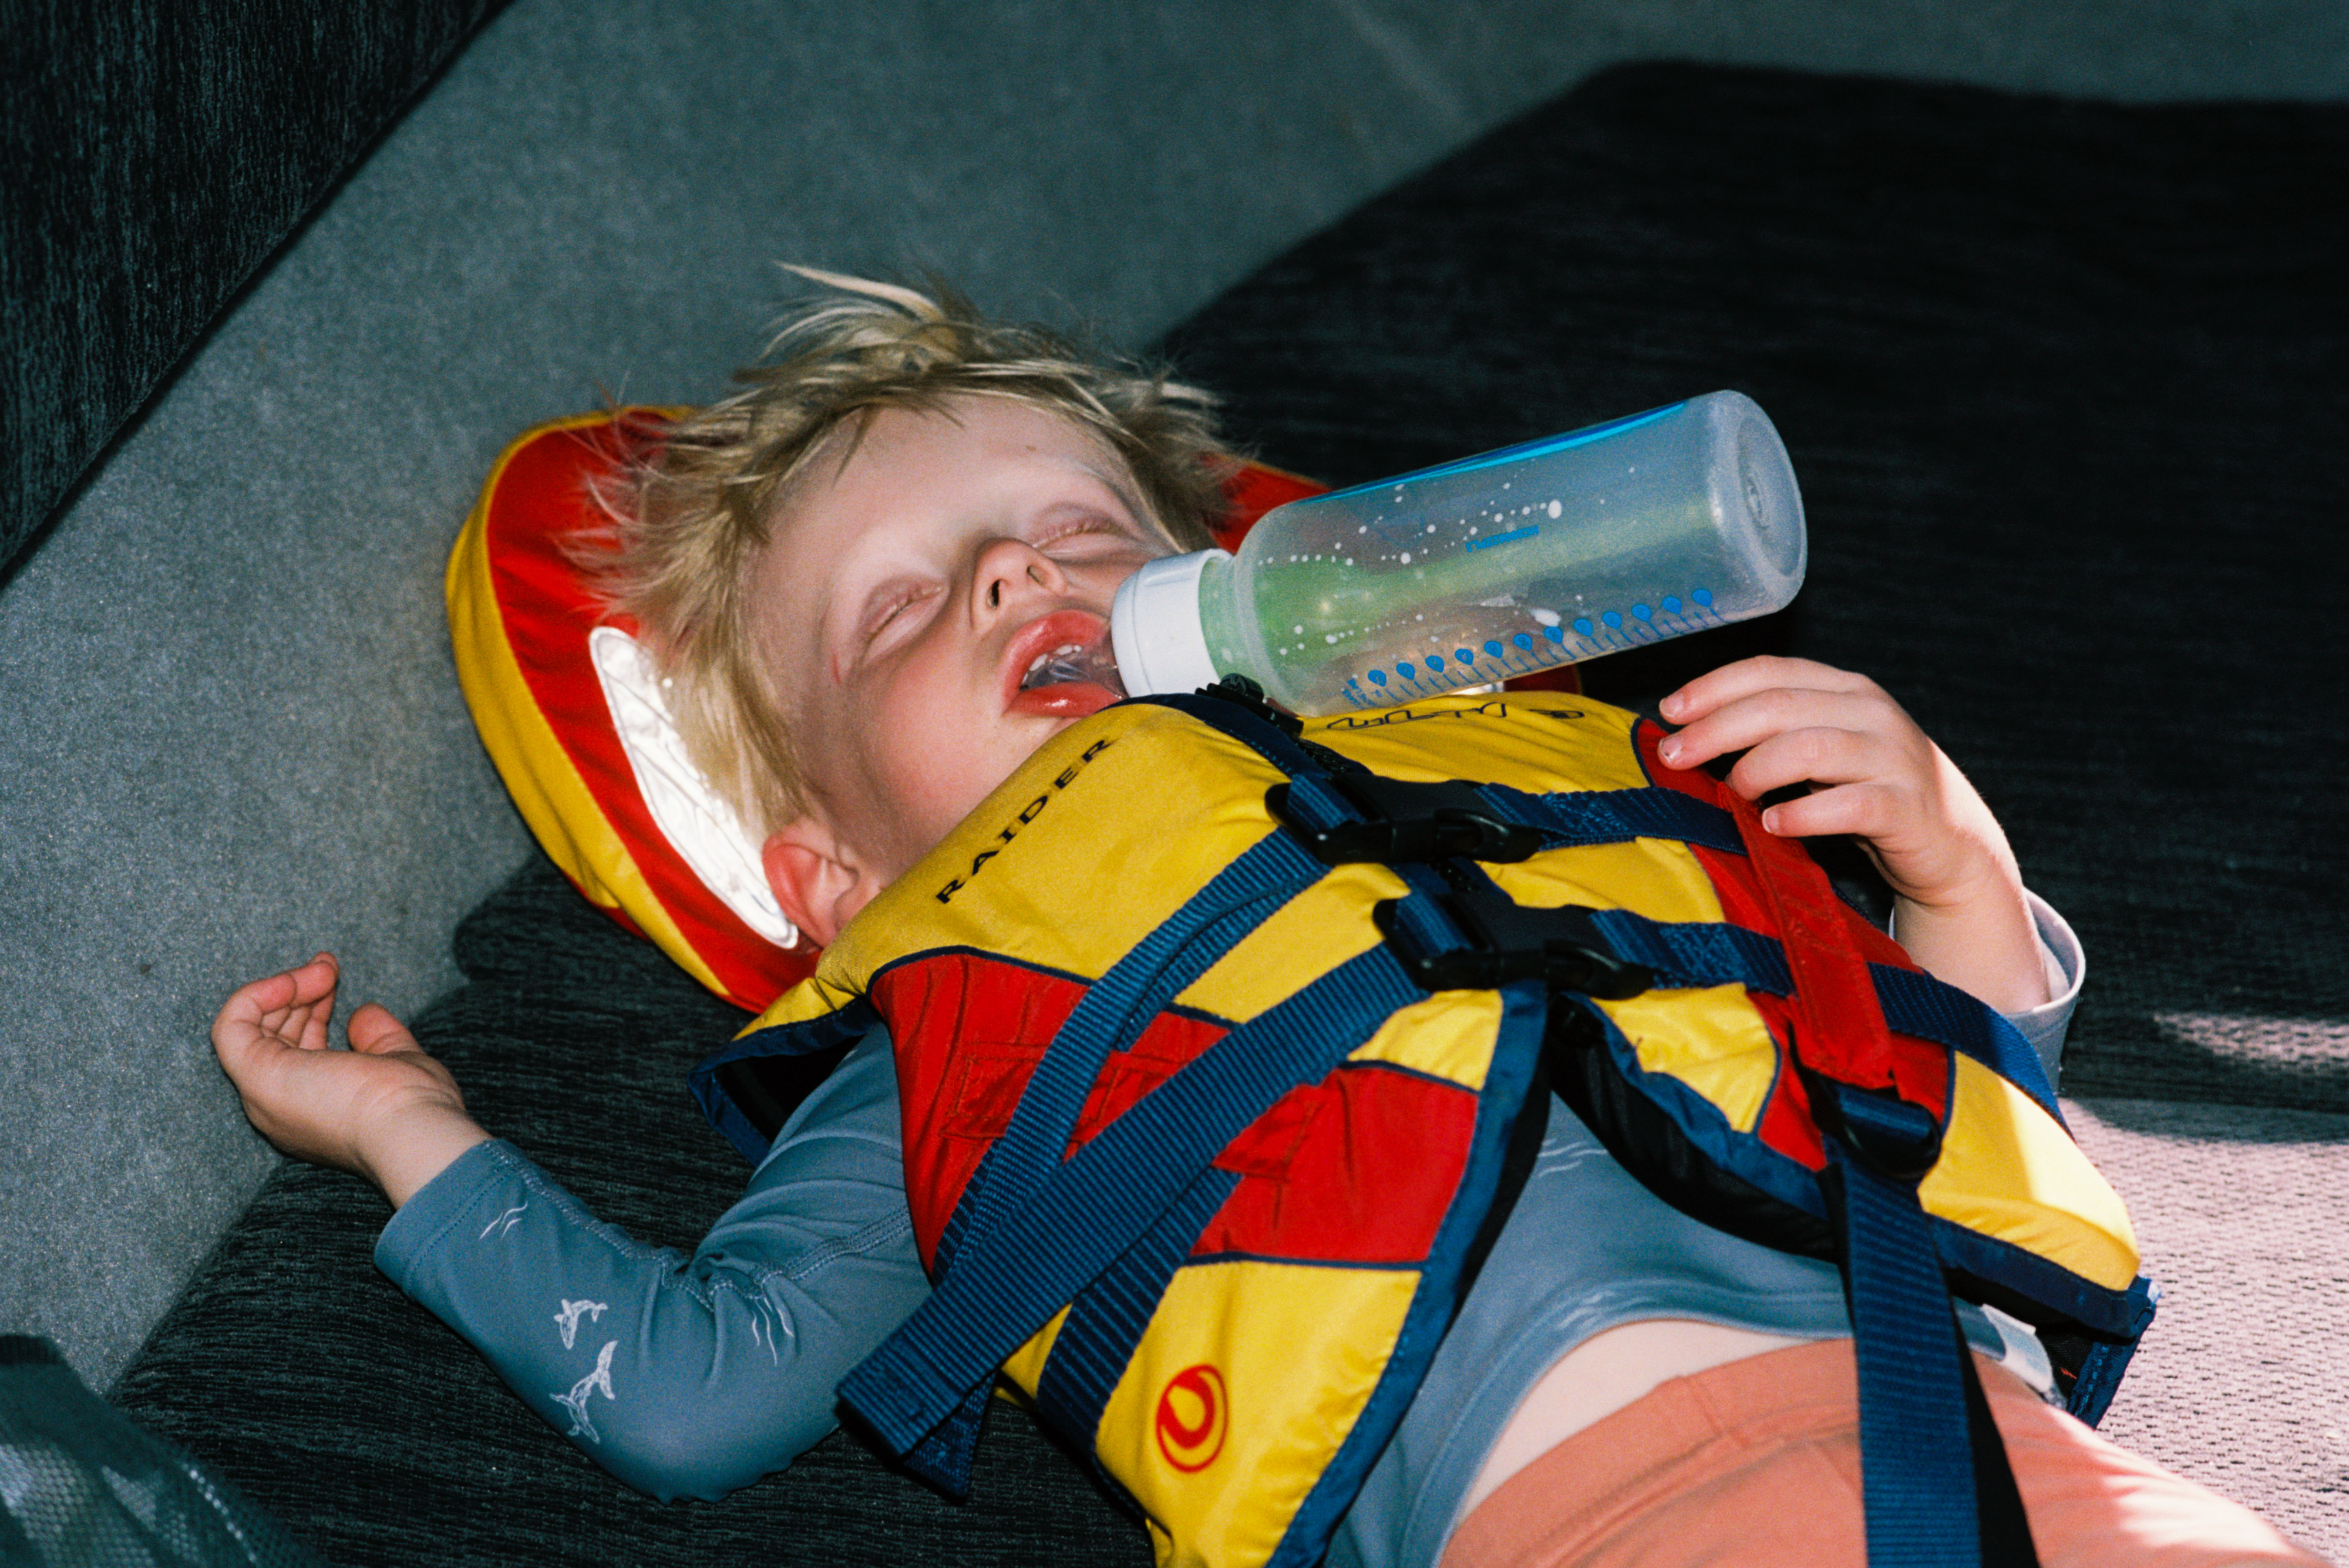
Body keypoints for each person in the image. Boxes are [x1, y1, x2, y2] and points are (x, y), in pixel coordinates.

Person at [213, 275, 2321, 1566]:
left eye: (1076, 535)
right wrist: (407, 1131)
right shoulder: (966, 1012)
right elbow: (694, 1394)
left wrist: (1953, 868)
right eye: (904, 610)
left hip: (2030, 1481)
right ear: (835, 882)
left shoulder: (1540, 779)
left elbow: (1937, 1103)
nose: (1019, 582)